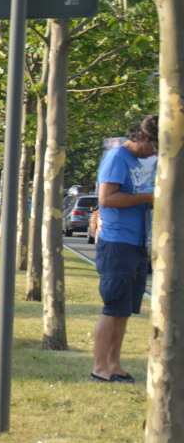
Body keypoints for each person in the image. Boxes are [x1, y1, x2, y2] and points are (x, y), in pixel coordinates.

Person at [91, 114, 158, 383]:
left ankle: (115, 364)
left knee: (125, 309)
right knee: (113, 305)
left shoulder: (138, 161)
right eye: (154, 146)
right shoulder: (117, 158)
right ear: (142, 136)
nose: (154, 152)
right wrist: (149, 197)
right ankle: (99, 367)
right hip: (117, 243)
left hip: (137, 244)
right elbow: (106, 198)